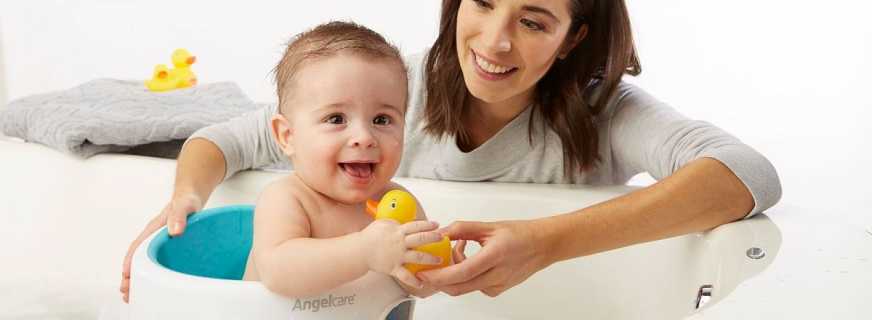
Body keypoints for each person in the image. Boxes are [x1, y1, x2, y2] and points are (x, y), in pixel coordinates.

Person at [121, 0, 781, 303]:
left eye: (532, 20)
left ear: (572, 37)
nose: (494, 43)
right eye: (483, 2)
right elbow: (226, 138)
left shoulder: (604, 113)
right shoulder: (385, 89)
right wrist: (187, 195)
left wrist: (545, 242)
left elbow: (747, 174)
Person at [238, 21, 454, 299]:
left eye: (382, 119)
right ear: (288, 136)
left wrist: (440, 269)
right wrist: (365, 251)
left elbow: (415, 286)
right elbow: (278, 272)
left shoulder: (397, 204)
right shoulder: (287, 198)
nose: (364, 137)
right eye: (336, 119)